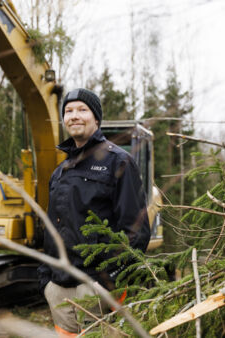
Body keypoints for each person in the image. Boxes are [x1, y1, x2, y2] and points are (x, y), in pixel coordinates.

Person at [37, 88, 151, 336]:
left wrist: (108, 278)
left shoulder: (118, 161)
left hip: (97, 284)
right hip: (59, 286)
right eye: (68, 111)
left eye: (82, 110)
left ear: (96, 118)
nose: (74, 116)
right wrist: (46, 280)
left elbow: (137, 231)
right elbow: (52, 228)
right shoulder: (60, 172)